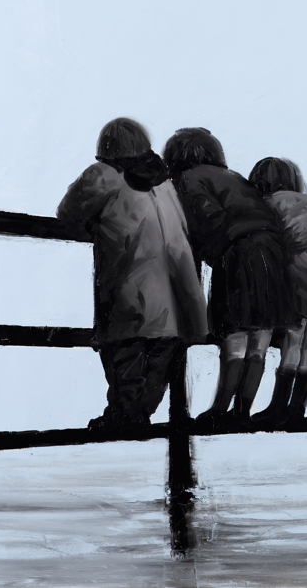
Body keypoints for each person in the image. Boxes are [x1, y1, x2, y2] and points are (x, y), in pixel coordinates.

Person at [57, 118, 208, 432]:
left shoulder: (103, 175)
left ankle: (124, 418)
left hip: (129, 292)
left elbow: (68, 214)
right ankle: (133, 417)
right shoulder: (166, 186)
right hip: (175, 303)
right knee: (156, 368)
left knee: (125, 361)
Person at [163, 128, 291, 426]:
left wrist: (208, 251)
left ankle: (220, 409)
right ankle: (242, 411)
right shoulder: (234, 177)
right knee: (259, 336)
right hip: (272, 252)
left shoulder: (189, 179)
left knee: (234, 334)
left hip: (238, 252)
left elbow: (207, 219)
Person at [247, 157, 307, 428]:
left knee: (294, 336)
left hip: (299, 259)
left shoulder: (268, 203)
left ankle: (278, 406)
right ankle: (297, 407)